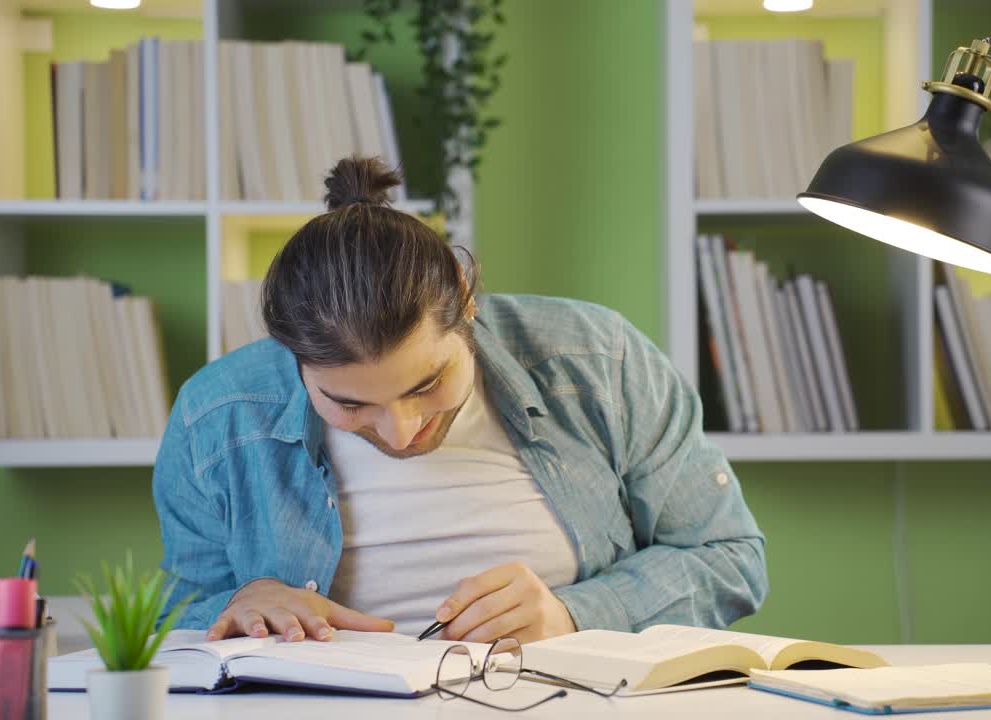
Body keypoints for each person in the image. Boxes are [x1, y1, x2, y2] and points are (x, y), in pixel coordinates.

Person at [153, 157, 767, 645]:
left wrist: (575, 613)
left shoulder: (600, 363)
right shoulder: (217, 414)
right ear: (293, 359)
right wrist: (237, 605)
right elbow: (175, 615)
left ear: (467, 304)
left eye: (425, 385)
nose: (401, 432)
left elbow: (729, 559)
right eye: (350, 405)